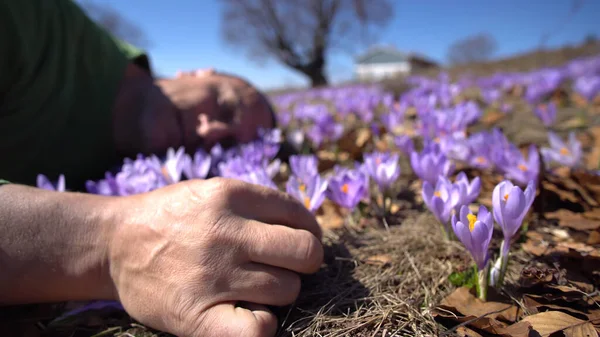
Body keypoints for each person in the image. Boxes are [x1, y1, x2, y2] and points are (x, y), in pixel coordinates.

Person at [0, 1, 324, 337]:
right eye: (225, 107)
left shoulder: (128, 171)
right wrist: (114, 245)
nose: (210, 132)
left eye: (226, 146)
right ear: (199, 72)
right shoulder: (36, 24)